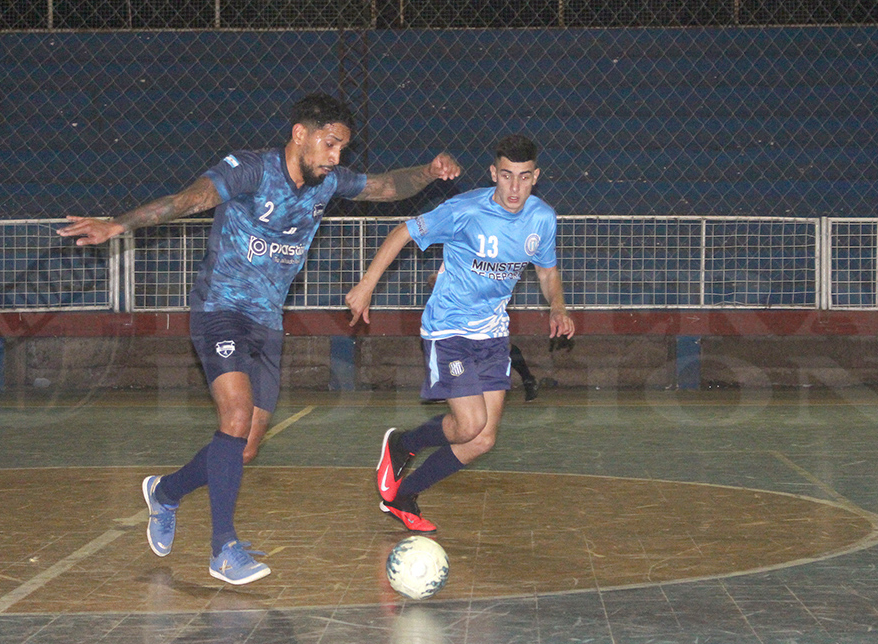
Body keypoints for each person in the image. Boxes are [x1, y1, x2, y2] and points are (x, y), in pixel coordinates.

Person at [58, 93, 461, 584]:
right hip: (220, 309)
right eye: (330, 144)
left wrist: (428, 171)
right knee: (235, 416)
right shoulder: (250, 171)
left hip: (267, 321)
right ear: (300, 134)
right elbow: (189, 200)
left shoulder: (329, 181)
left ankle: (164, 493)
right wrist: (119, 225)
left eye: (342, 147)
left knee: (244, 446)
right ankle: (223, 549)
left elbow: (386, 186)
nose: (336, 156)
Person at [346, 134, 574, 532]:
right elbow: (403, 232)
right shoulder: (465, 210)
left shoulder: (542, 218)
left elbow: (547, 270)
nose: (515, 187)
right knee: (469, 425)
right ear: (493, 174)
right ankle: (403, 443)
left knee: (483, 440)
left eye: (523, 177)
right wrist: (366, 286)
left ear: (536, 177)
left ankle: (403, 495)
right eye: (507, 176)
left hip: (493, 334)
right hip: (448, 328)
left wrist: (557, 305)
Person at [427, 268, 539, 401]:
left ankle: (527, 379)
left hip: (486, 302)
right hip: (463, 307)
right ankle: (446, 385)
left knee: (497, 344)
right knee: (444, 341)